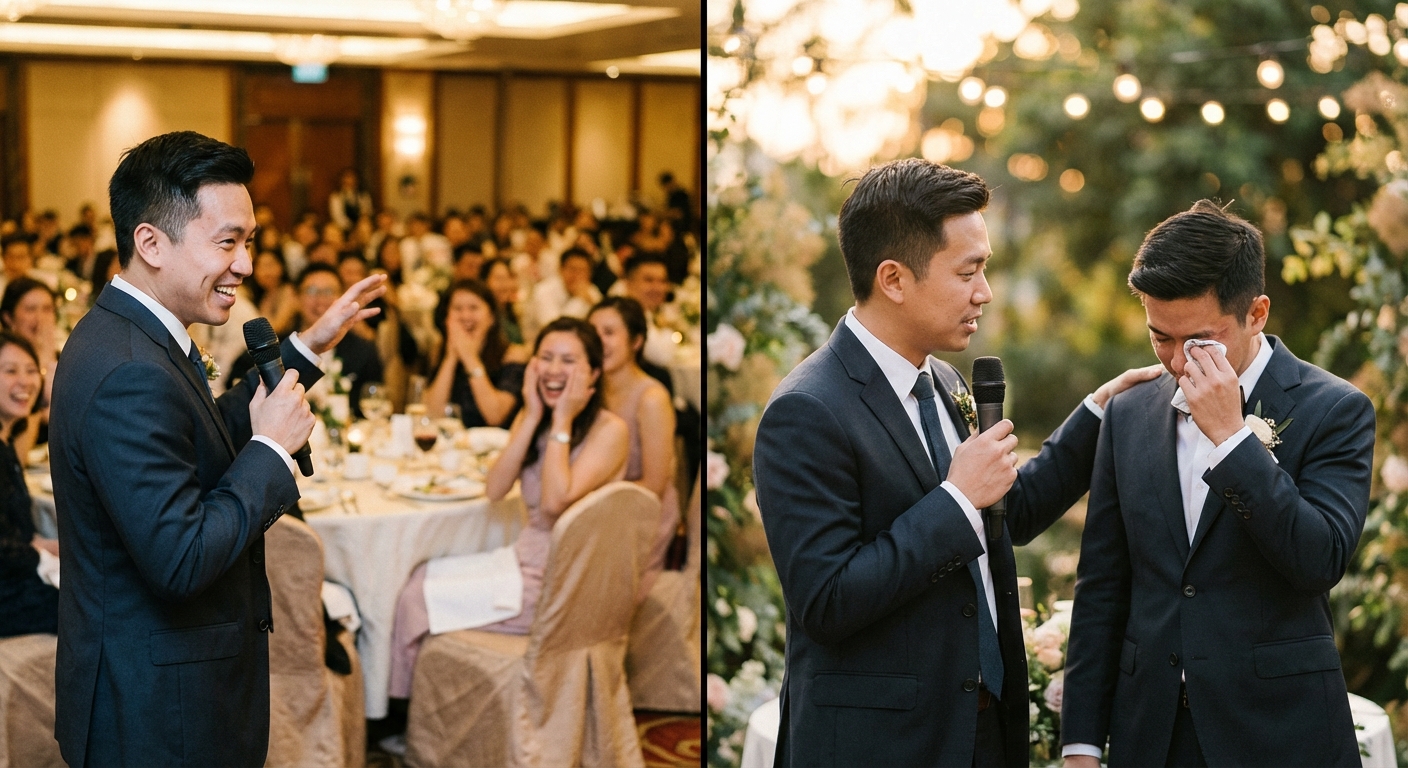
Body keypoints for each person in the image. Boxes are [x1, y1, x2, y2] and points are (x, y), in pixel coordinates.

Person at [752, 159, 1160, 768]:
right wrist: (955, 500)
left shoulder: (940, 380)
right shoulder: (807, 410)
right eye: (968, 271)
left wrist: (1097, 414)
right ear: (893, 278)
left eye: (986, 269)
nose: (985, 292)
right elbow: (826, 601)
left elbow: (1006, 514)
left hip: (981, 732)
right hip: (882, 748)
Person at [49, 130, 386, 767]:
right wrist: (271, 453)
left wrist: (309, 346)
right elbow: (180, 559)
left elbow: (198, 433)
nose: (246, 265)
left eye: (249, 242)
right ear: (151, 243)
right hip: (156, 710)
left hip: (155, 689)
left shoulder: (132, 336)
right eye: (227, 242)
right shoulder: (130, 370)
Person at [1060, 201, 1375, 768]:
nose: (1179, 362)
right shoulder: (1128, 415)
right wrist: (1080, 742)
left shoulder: (1336, 410)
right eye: (1160, 338)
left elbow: (1319, 559)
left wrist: (1233, 439)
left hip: (1280, 733)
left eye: (1201, 341)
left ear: (1256, 312)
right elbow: (1103, 587)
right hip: (1150, 737)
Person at [386, 318, 628, 703]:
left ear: (594, 373)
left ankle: (407, 715)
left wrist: (562, 419)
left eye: (568, 361)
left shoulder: (610, 430)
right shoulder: (535, 417)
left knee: (418, 600)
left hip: (560, 585)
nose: (552, 369)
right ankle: (419, 714)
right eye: (545, 357)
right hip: (521, 562)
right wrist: (532, 415)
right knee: (417, 579)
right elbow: (495, 489)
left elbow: (553, 505)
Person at [588, 297, 679, 598]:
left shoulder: (651, 398)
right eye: (593, 332)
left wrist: (589, 502)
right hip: (596, 507)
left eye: (609, 332)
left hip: (640, 516)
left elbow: (654, 484)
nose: (598, 341)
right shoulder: (590, 390)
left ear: (636, 341)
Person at [227, 264, 383, 418]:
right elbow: (238, 382)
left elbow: (373, 399)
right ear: (296, 298)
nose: (321, 300)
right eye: (311, 291)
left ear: (341, 297)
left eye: (329, 291)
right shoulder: (274, 347)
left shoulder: (363, 350)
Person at [0, 331, 57, 638]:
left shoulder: (7, 443)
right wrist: (45, 556)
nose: (25, 381)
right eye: (10, 371)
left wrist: (53, 549)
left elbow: (15, 533)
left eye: (31, 370)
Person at [426, 279, 528, 429]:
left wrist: (470, 358)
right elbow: (431, 414)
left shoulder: (513, 355)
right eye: (457, 309)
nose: (465, 316)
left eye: (473, 308)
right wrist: (451, 358)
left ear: (492, 317)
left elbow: (495, 416)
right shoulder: (439, 351)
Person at [1, 278, 59, 455]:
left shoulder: (63, 359)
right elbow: (20, 455)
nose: (40, 318)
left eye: (47, 309)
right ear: (8, 318)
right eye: (30, 309)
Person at [527, 247, 601, 339]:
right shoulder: (543, 290)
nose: (578, 276)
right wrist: (579, 299)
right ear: (560, 269)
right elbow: (554, 329)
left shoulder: (591, 290)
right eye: (573, 269)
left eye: (583, 270)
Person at [247, 249, 299, 336]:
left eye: (269, 265)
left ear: (281, 266)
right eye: (260, 267)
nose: (266, 272)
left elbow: (277, 327)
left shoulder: (288, 291)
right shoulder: (260, 294)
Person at [481, 257, 524, 344]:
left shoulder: (510, 312)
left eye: (508, 278)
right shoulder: (484, 316)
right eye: (499, 279)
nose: (505, 284)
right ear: (485, 282)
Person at [328, 167, 372, 233]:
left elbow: (367, 211)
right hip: (343, 228)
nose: (350, 180)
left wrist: (361, 223)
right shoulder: (336, 196)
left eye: (352, 177)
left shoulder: (363, 195)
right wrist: (351, 227)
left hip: (361, 227)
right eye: (347, 177)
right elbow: (337, 216)